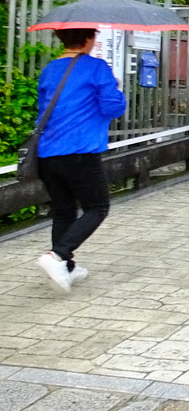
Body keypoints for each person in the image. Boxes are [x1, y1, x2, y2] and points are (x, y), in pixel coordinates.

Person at [34, 28, 126, 293]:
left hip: (47, 153)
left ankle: (68, 269)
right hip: (80, 151)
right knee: (97, 207)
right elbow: (112, 107)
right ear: (88, 40)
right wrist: (116, 88)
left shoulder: (51, 69)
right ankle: (57, 256)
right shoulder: (96, 67)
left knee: (63, 210)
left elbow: (44, 109)